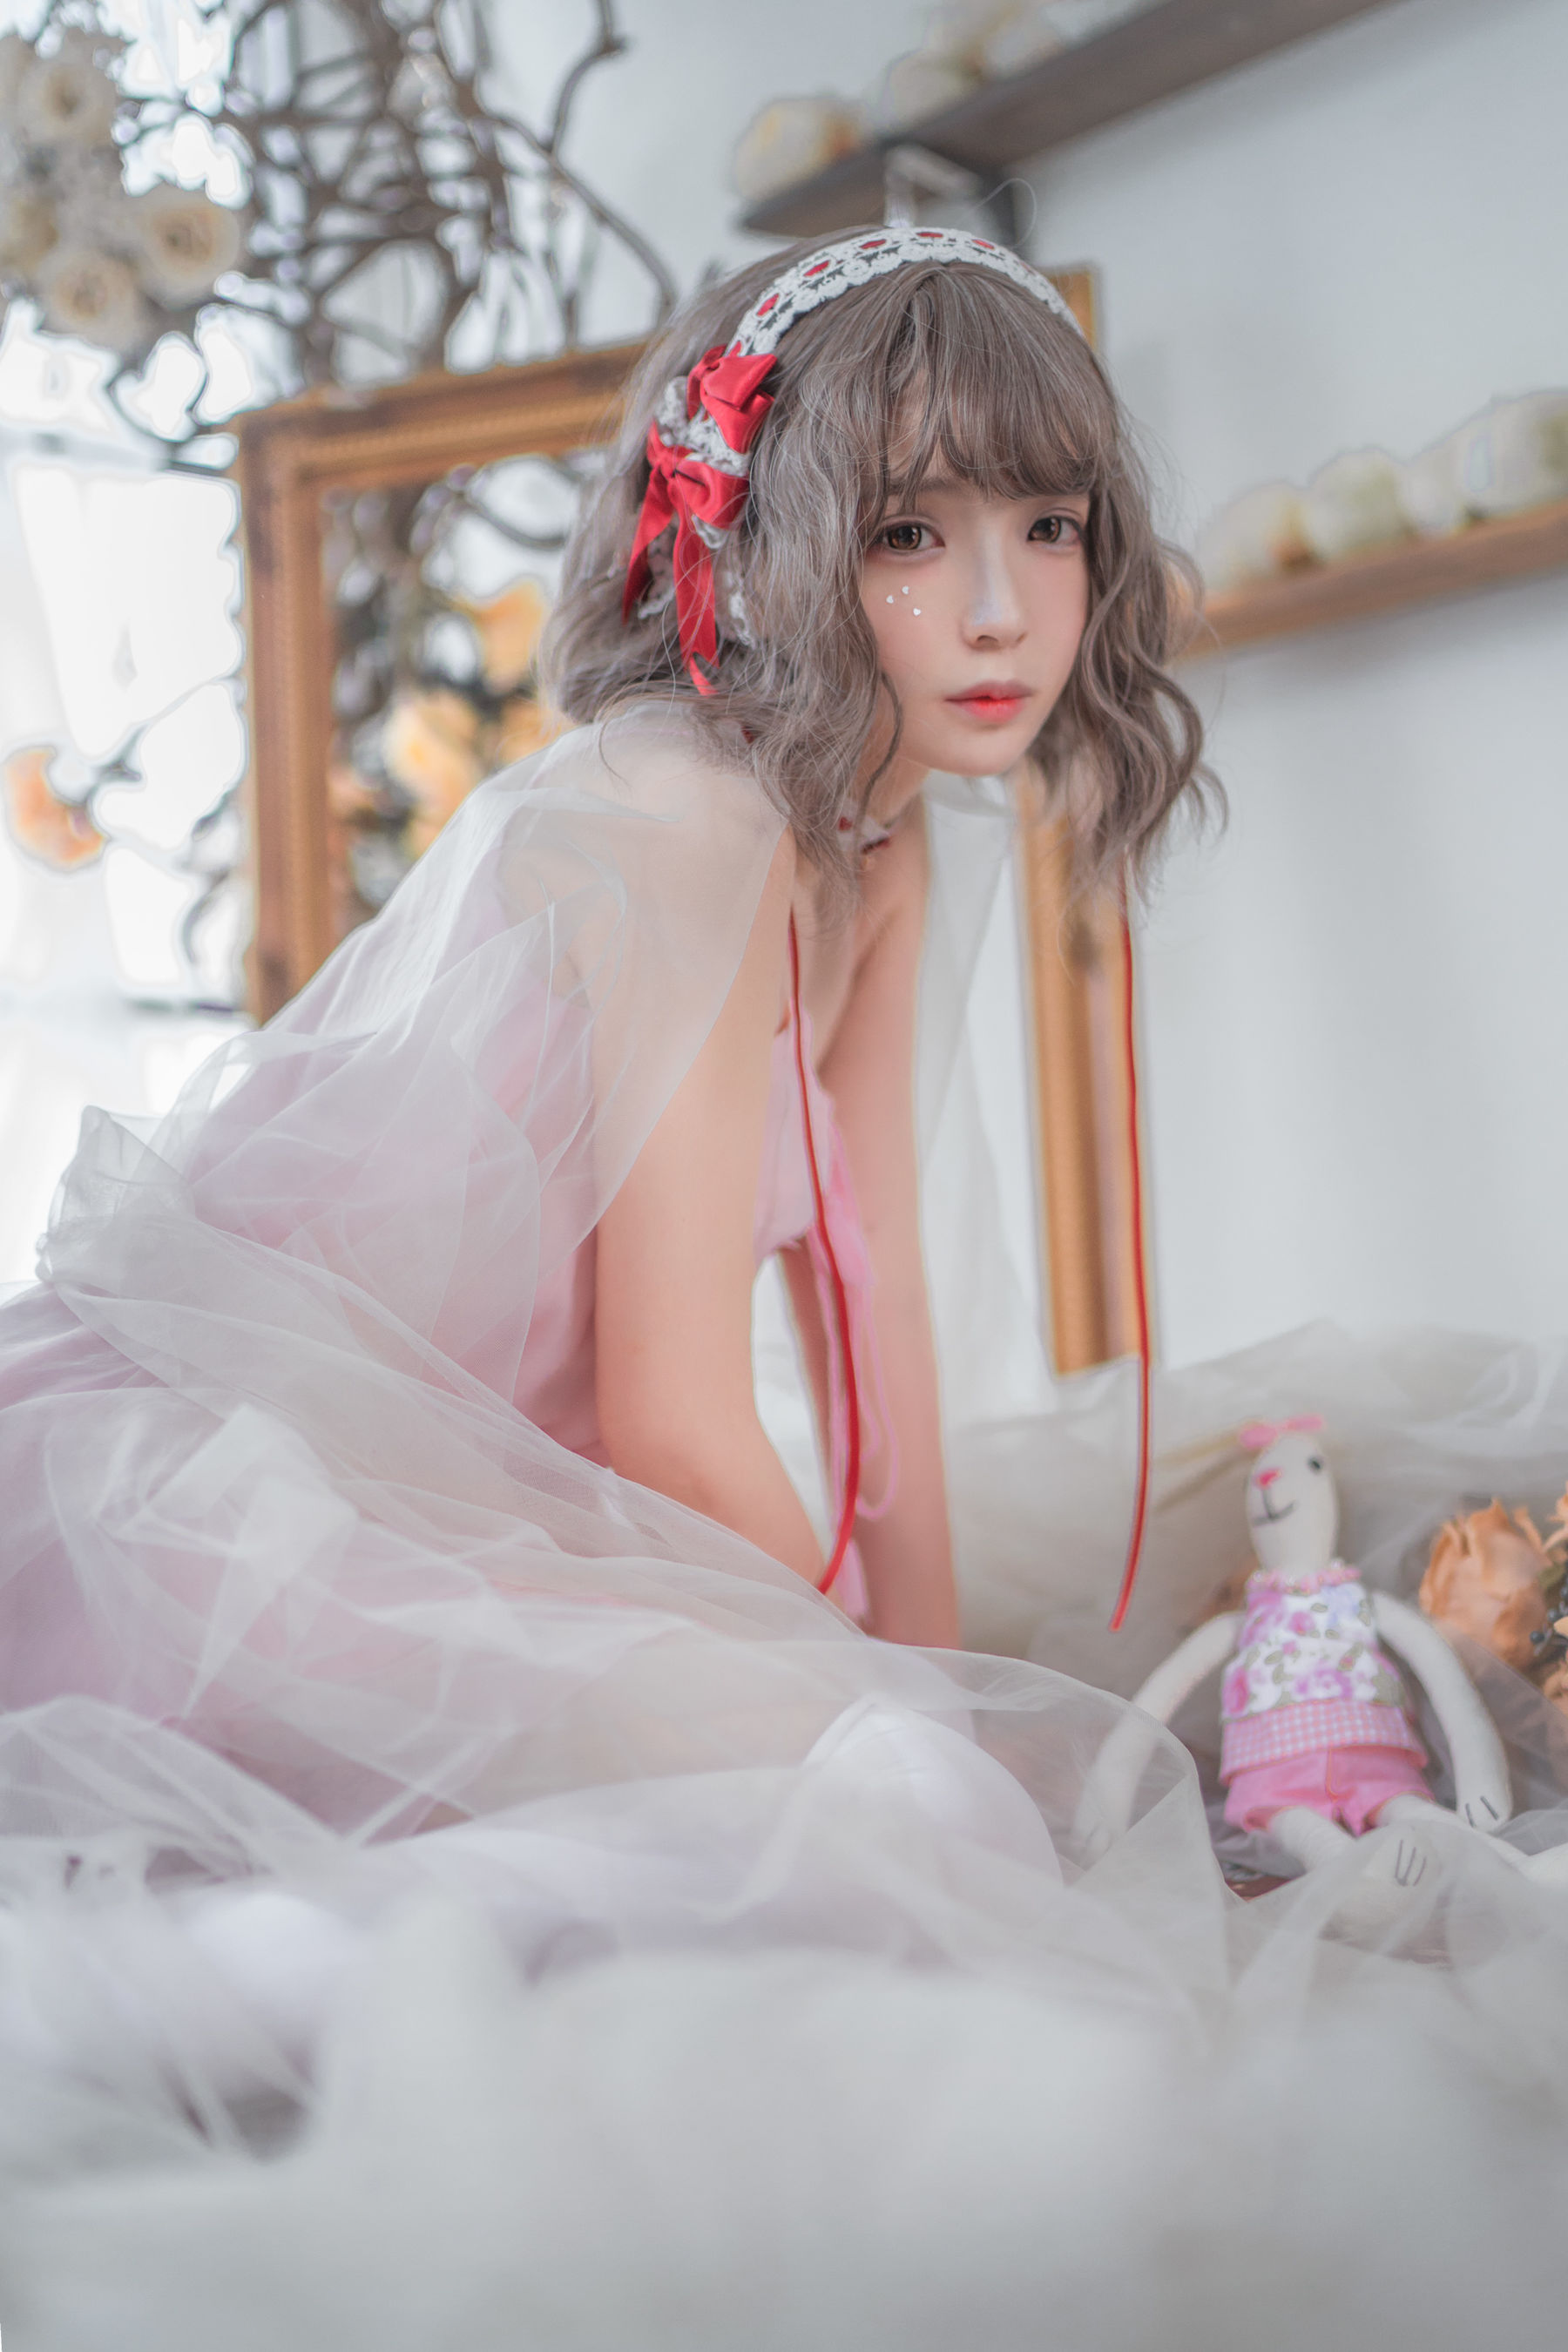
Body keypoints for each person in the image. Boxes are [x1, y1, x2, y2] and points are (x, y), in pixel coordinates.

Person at [3, 230, 1568, 2345]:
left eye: (1050, 524)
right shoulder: (685, 819)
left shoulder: (875, 837)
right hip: (225, 1508)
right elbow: (673, 1417)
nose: (1002, 606)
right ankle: (164, 1994)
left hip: (466, 1495)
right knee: (901, 1811)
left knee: (946, 1791)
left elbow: (877, 1311)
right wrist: (906, 1729)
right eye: (912, 534)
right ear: (753, 542)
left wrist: (943, 1684)